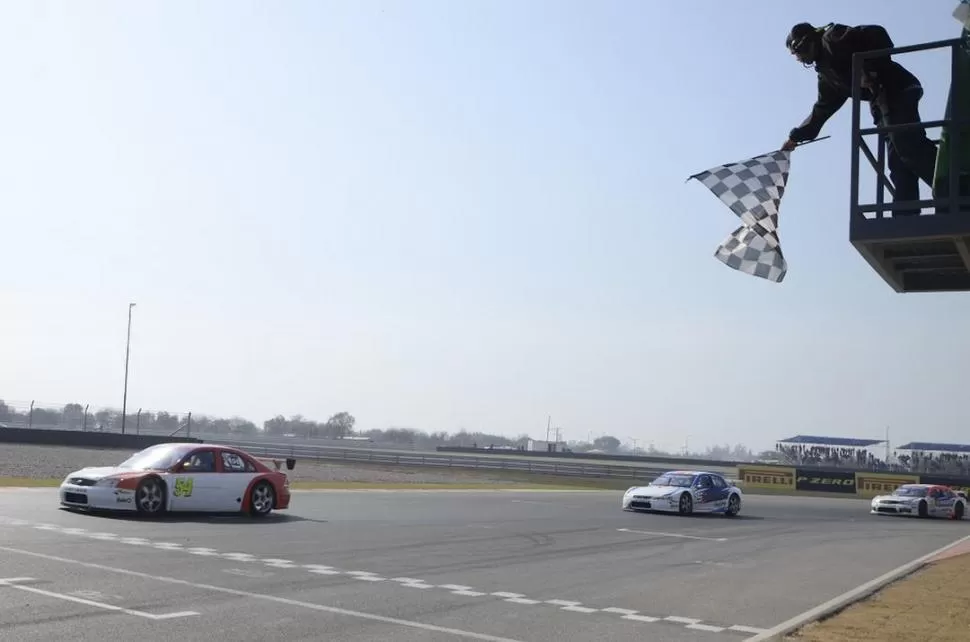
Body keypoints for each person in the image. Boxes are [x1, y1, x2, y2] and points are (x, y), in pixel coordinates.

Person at [782, 22, 939, 216]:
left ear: (806, 43)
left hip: (897, 88)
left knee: (907, 144)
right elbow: (823, 109)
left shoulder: (833, 38)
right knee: (898, 160)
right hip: (880, 102)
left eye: (799, 53)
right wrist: (796, 136)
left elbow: (877, 33)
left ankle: (954, 189)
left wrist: (870, 68)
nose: (800, 59)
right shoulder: (827, 75)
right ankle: (905, 214)